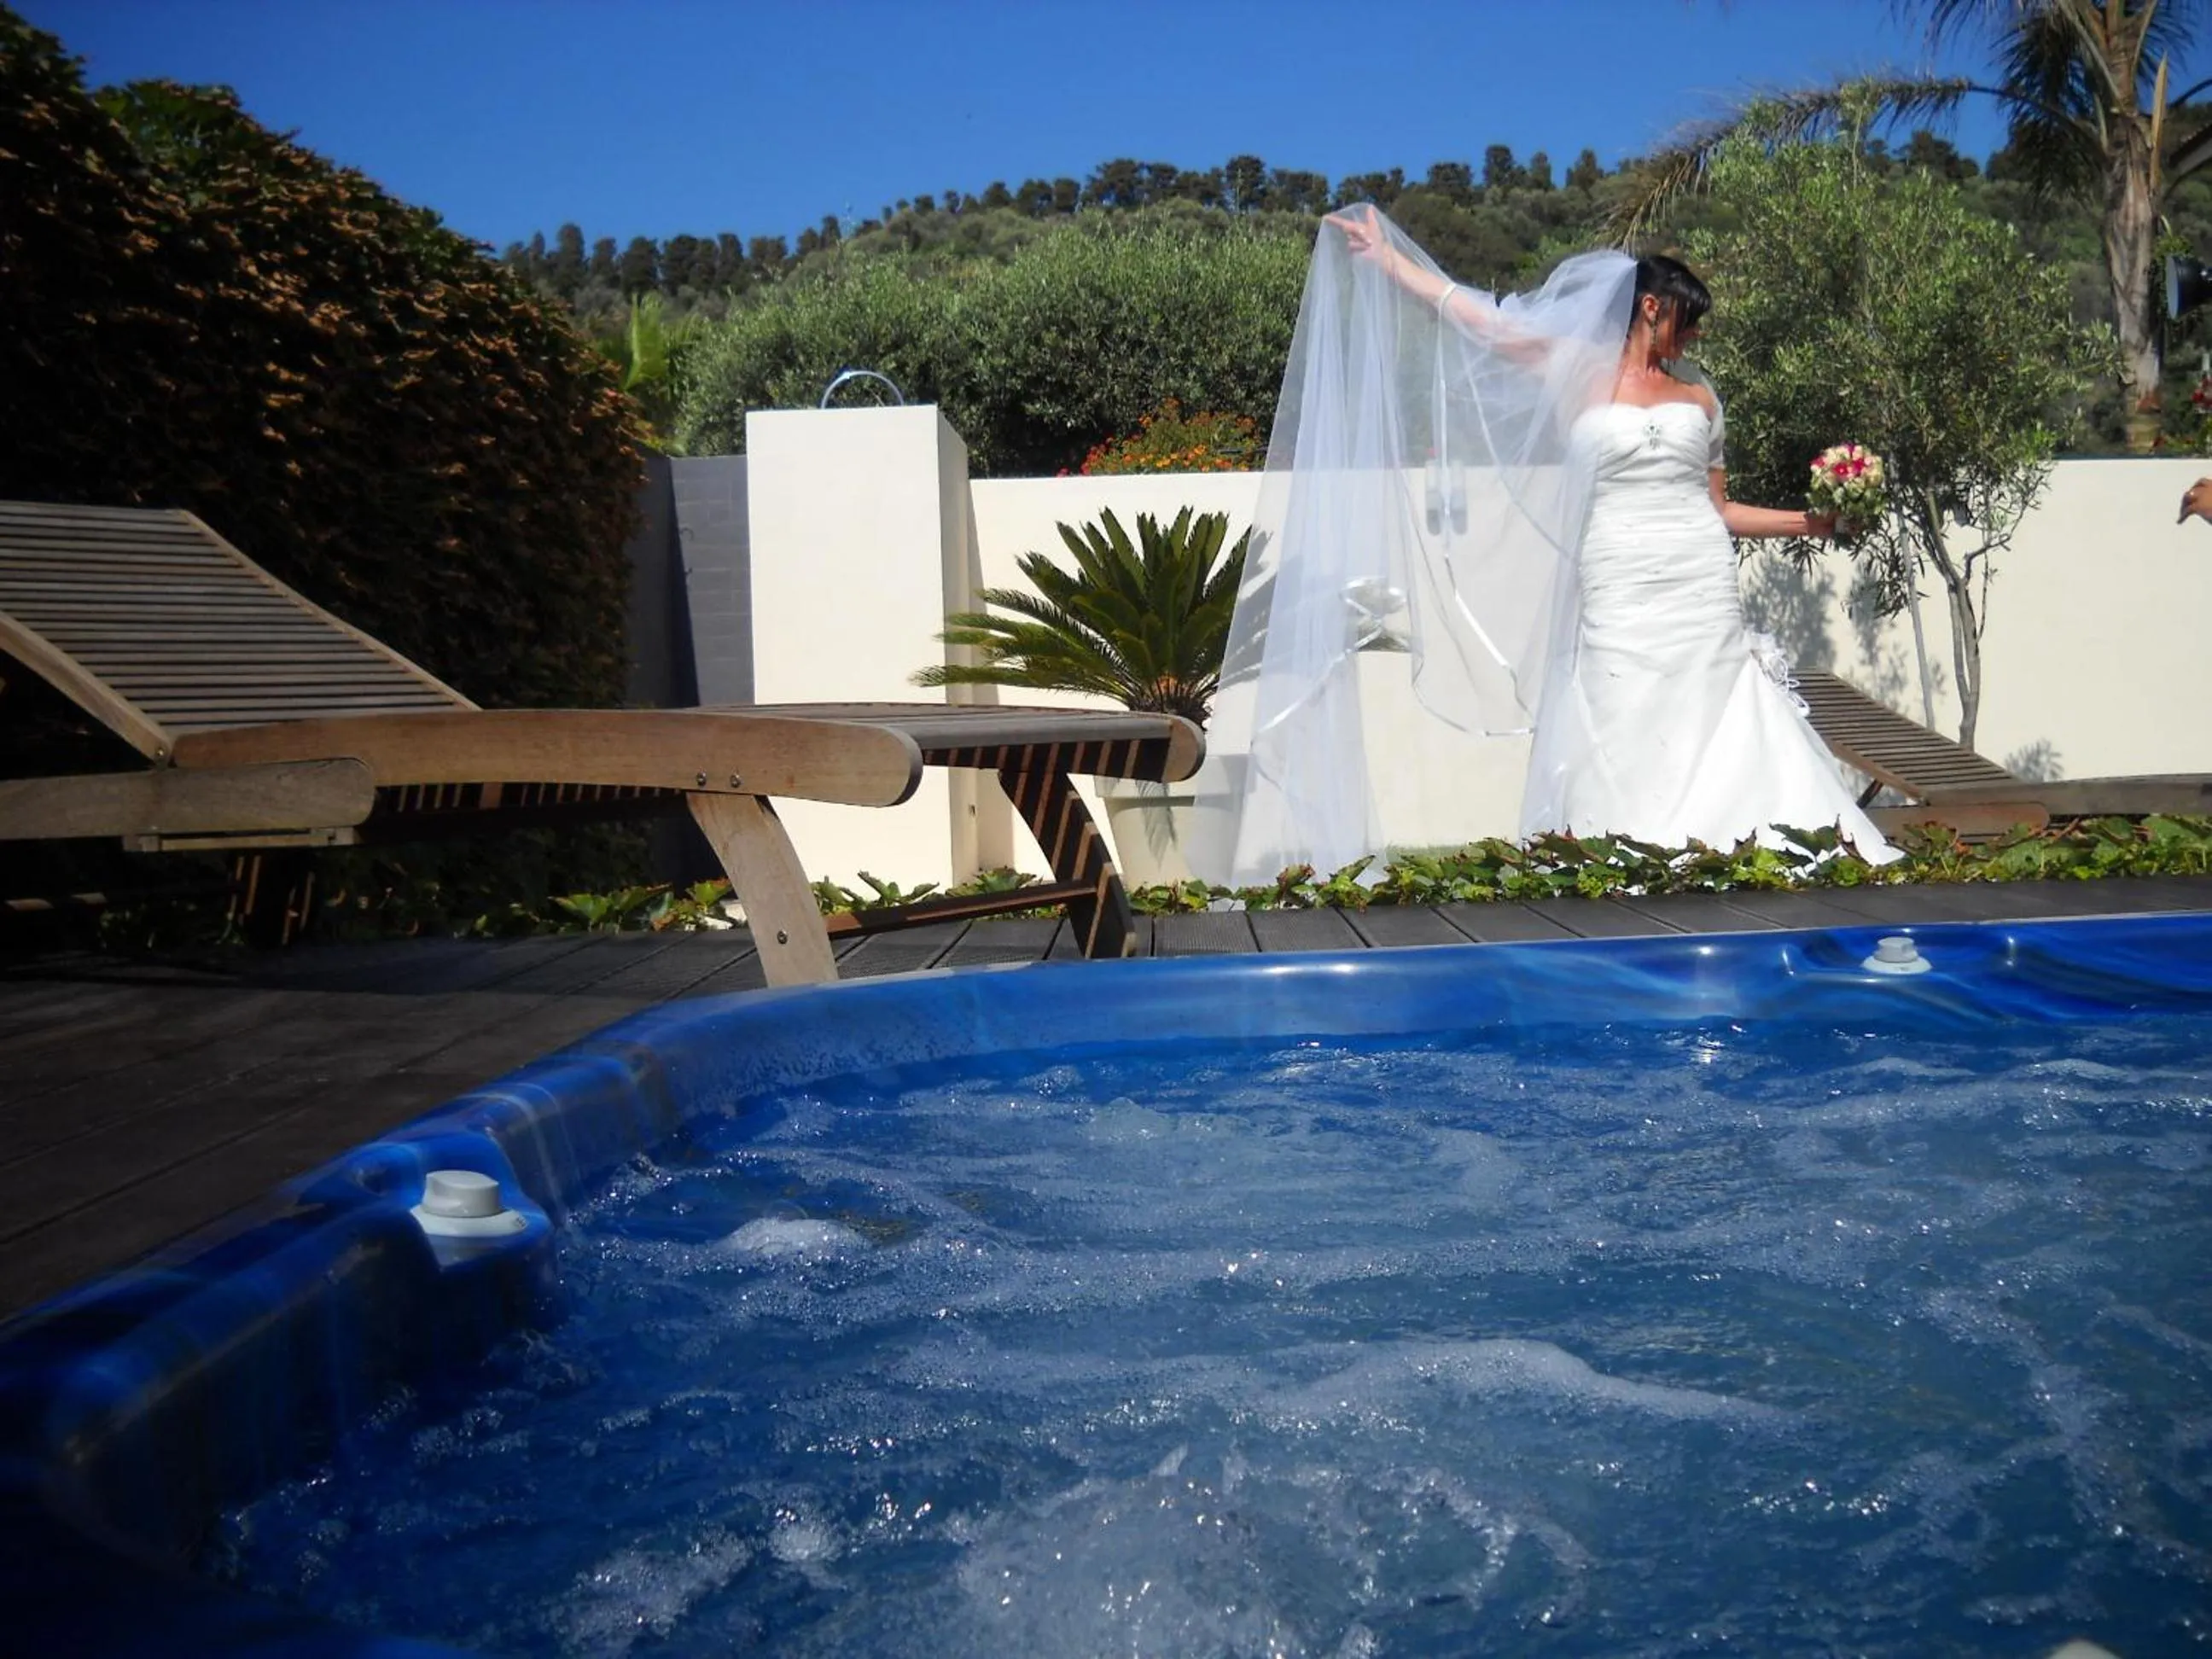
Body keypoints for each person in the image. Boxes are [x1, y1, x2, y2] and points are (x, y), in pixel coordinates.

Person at [1194, 207, 1893, 886]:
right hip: (1615, 567)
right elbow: (1481, 321)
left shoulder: (1702, 400)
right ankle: (1634, 852)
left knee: (1716, 696)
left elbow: (1721, 510)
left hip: (1697, 572)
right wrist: (1392, 264)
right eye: (1689, 319)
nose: (1696, 337)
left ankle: (1751, 842)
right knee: (1623, 702)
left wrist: (1814, 522)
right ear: (1651, 307)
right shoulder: (1572, 368)